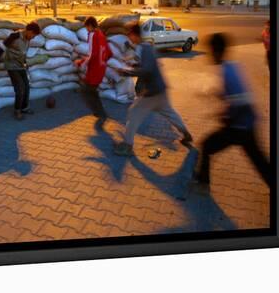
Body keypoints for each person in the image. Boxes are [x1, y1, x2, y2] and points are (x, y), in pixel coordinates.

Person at [194, 33, 270, 192]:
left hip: (240, 127)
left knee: (207, 145)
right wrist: (216, 94)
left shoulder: (227, 72)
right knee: (259, 162)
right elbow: (237, 95)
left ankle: (202, 184)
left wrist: (225, 116)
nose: (209, 55)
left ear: (216, 51)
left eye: (210, 51)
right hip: (246, 124)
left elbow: (241, 101)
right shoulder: (231, 66)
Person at [114, 22, 193, 156]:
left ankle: (127, 145)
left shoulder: (144, 48)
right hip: (160, 90)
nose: (128, 37)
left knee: (133, 113)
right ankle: (186, 134)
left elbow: (147, 69)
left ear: (134, 34)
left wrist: (126, 71)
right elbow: (144, 65)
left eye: (129, 34)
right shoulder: (145, 47)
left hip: (152, 92)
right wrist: (132, 65)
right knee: (171, 114)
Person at [0, 22, 41, 120]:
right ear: (29, 31)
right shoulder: (14, 36)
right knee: (20, 88)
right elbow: (1, 47)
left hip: (20, 66)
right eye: (33, 35)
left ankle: (24, 107)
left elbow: (22, 53)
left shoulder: (27, 39)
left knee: (26, 86)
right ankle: (17, 110)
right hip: (11, 66)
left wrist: (24, 63)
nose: (33, 38)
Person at [74, 17, 112, 123]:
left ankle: (100, 113)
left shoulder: (93, 35)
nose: (86, 30)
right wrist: (103, 62)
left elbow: (92, 54)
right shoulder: (101, 34)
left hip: (94, 70)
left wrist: (80, 63)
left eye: (86, 28)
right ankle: (99, 112)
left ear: (90, 26)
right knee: (92, 91)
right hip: (101, 68)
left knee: (85, 91)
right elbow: (109, 52)